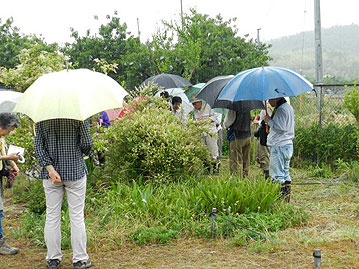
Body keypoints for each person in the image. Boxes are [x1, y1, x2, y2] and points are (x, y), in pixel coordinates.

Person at [34, 119, 93, 269]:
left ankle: (53, 259)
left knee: (52, 216)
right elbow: (87, 144)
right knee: (77, 216)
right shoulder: (79, 116)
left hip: (51, 175)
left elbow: (38, 148)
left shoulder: (42, 119)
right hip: (75, 171)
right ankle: (80, 259)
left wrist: (51, 170)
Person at [264, 97, 294, 202]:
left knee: (277, 175)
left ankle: (279, 200)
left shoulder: (281, 109)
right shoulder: (288, 107)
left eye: (270, 99)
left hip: (279, 145)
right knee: (285, 173)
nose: (268, 101)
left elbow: (281, 128)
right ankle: (286, 199)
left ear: (276, 98)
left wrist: (269, 121)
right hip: (286, 144)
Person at [0, 113, 20, 255]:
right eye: (10, 129)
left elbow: (4, 153)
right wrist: (9, 157)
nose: (9, 132)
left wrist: (12, 163)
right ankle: (1, 244)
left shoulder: (2, 139)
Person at [191, 97, 220, 173]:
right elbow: (196, 122)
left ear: (200, 102)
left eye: (195, 103)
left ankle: (215, 168)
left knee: (213, 150)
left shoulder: (208, 106)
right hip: (201, 133)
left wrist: (204, 120)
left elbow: (214, 117)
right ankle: (206, 168)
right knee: (204, 151)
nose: (194, 105)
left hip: (210, 132)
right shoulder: (195, 111)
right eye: (193, 104)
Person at [224, 109, 251, 178]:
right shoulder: (247, 104)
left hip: (236, 135)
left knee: (235, 159)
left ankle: (236, 178)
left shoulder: (233, 106)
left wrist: (225, 126)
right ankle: (246, 177)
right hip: (247, 134)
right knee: (246, 158)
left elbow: (228, 121)